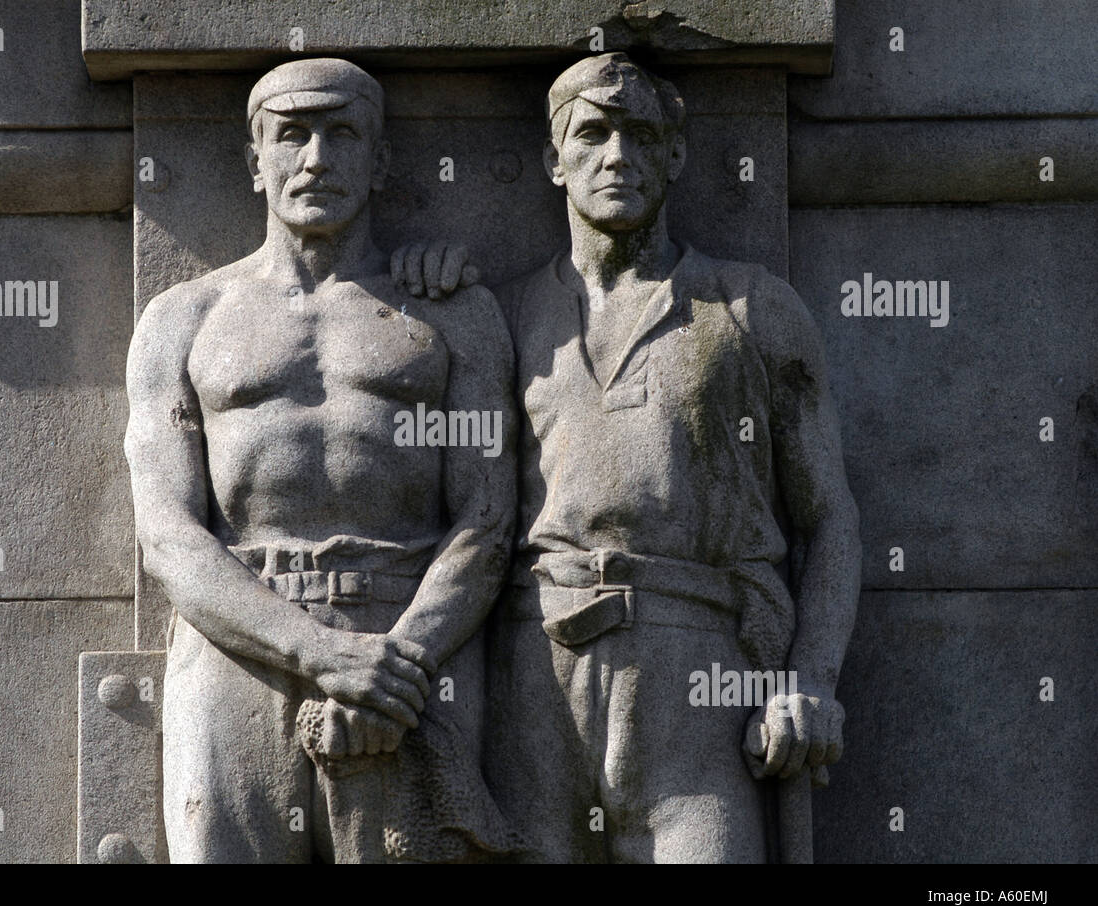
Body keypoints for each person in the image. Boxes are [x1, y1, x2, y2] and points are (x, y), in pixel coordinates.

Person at [393, 52, 861, 862]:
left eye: (642, 135)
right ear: (554, 160)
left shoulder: (753, 310)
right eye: (594, 134)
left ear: (675, 155)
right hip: (534, 670)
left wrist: (811, 676)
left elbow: (829, 519)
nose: (618, 156)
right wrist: (412, 287)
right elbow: (459, 512)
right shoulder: (499, 317)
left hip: (700, 671)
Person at [125, 58, 517, 863]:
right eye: (292, 135)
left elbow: (486, 519)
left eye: (343, 135)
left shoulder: (451, 315)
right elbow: (166, 531)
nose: (316, 159)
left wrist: (398, 663)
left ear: (379, 163)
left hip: (408, 638)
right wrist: (319, 653)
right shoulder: (183, 318)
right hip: (235, 643)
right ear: (253, 156)